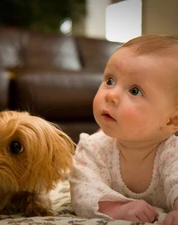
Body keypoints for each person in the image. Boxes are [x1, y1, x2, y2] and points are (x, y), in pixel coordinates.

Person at [69, 34, 178, 225]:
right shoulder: (93, 148)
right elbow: (82, 191)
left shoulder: (172, 153)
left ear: (172, 120)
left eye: (135, 91)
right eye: (110, 80)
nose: (111, 95)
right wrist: (117, 209)